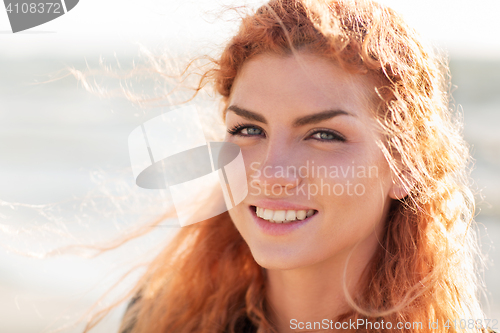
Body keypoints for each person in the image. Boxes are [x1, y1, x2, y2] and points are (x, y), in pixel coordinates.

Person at [87, 0, 490, 332]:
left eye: (324, 135)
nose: (271, 172)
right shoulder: (158, 319)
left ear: (406, 165)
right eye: (248, 129)